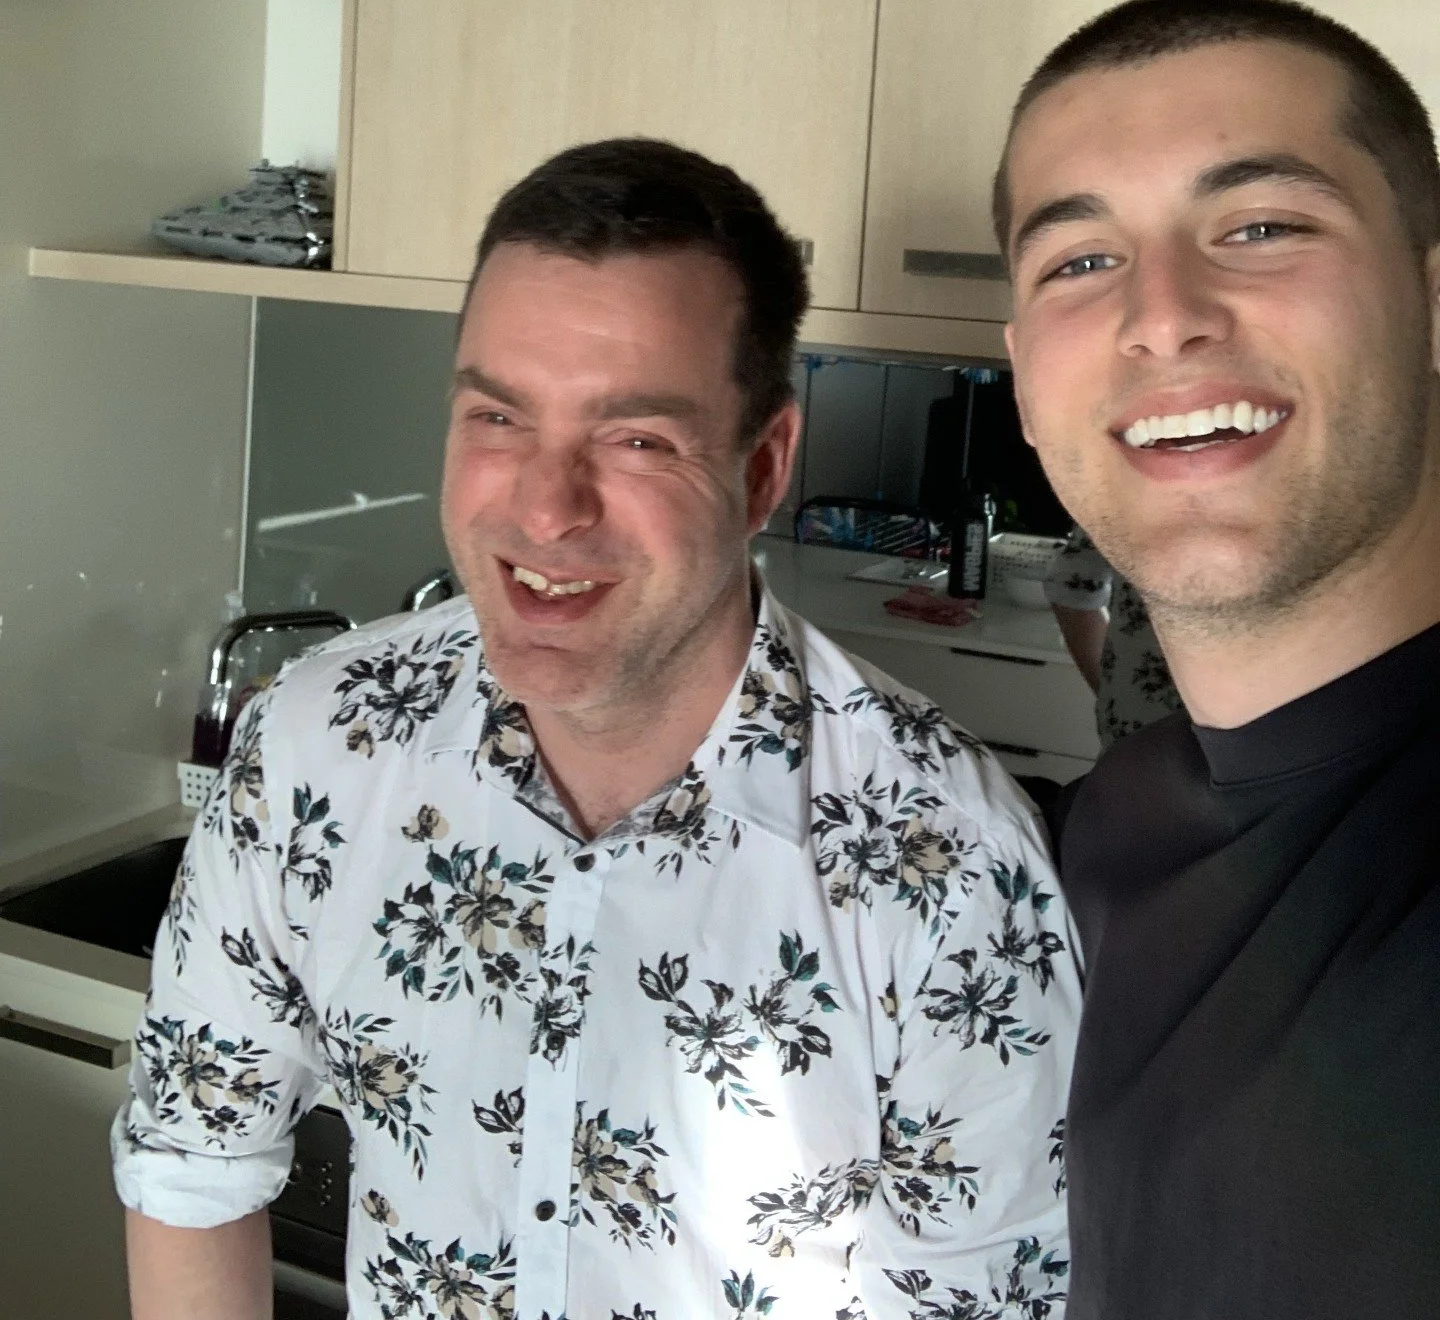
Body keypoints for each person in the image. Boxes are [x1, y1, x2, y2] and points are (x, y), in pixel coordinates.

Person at [115, 138, 1079, 1320]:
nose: (544, 505)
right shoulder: (323, 745)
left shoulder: (951, 865)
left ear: (764, 466)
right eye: (499, 418)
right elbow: (190, 1159)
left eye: (635, 439)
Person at [995, 0, 1440, 1320]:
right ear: (1020, 371)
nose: (1165, 314)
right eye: (1080, 259)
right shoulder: (1109, 834)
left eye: (1261, 226)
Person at [1043, 528, 1181, 747]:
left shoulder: (1134, 494)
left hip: (1139, 722)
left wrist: (1116, 690)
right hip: (1245, 740)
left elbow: (1070, 582)